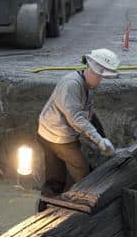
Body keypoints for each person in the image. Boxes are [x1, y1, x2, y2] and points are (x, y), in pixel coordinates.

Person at [36, 48, 119, 202]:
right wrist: (99, 141)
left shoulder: (86, 86)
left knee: (56, 175)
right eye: (101, 77)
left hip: (51, 132)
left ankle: (49, 201)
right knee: (80, 170)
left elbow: (89, 114)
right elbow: (76, 118)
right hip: (56, 136)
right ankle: (80, 203)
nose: (101, 81)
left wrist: (102, 137)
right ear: (94, 71)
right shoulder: (72, 85)